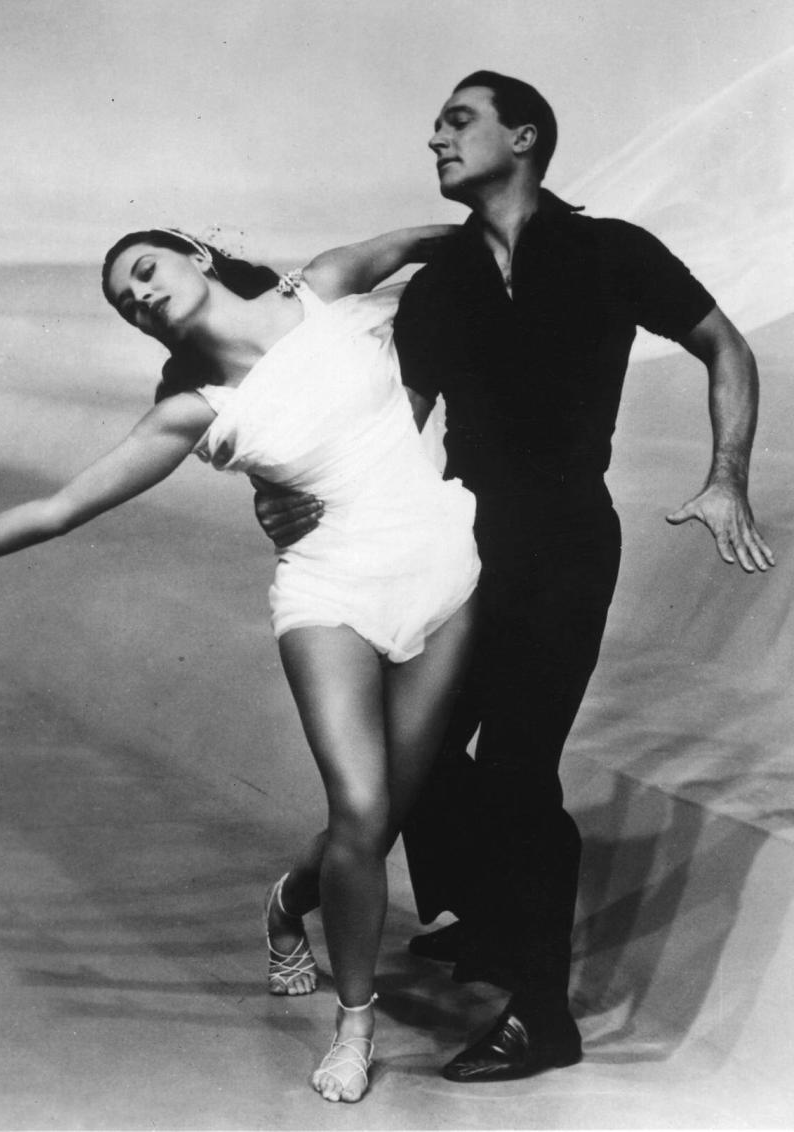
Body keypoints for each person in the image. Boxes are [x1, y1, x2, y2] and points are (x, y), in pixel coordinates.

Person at [0, 225, 481, 1104]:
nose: (140, 297)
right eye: (126, 303)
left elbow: (462, 236)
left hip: (443, 566)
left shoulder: (327, 286)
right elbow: (60, 507)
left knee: (383, 816)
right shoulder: (196, 409)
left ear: (199, 257)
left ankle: (289, 903)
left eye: (145, 271)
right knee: (361, 809)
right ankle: (356, 1026)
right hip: (329, 589)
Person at [254, 71, 775, 1083]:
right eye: (438, 125)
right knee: (425, 761)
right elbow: (389, 427)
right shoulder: (440, 285)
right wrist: (296, 500)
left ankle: (543, 1015)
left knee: (518, 772)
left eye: (459, 121)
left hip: (564, 540)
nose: (435, 138)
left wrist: (726, 476)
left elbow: (722, 344)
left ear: (524, 136)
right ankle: (488, 922)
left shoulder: (610, 251)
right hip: (450, 542)